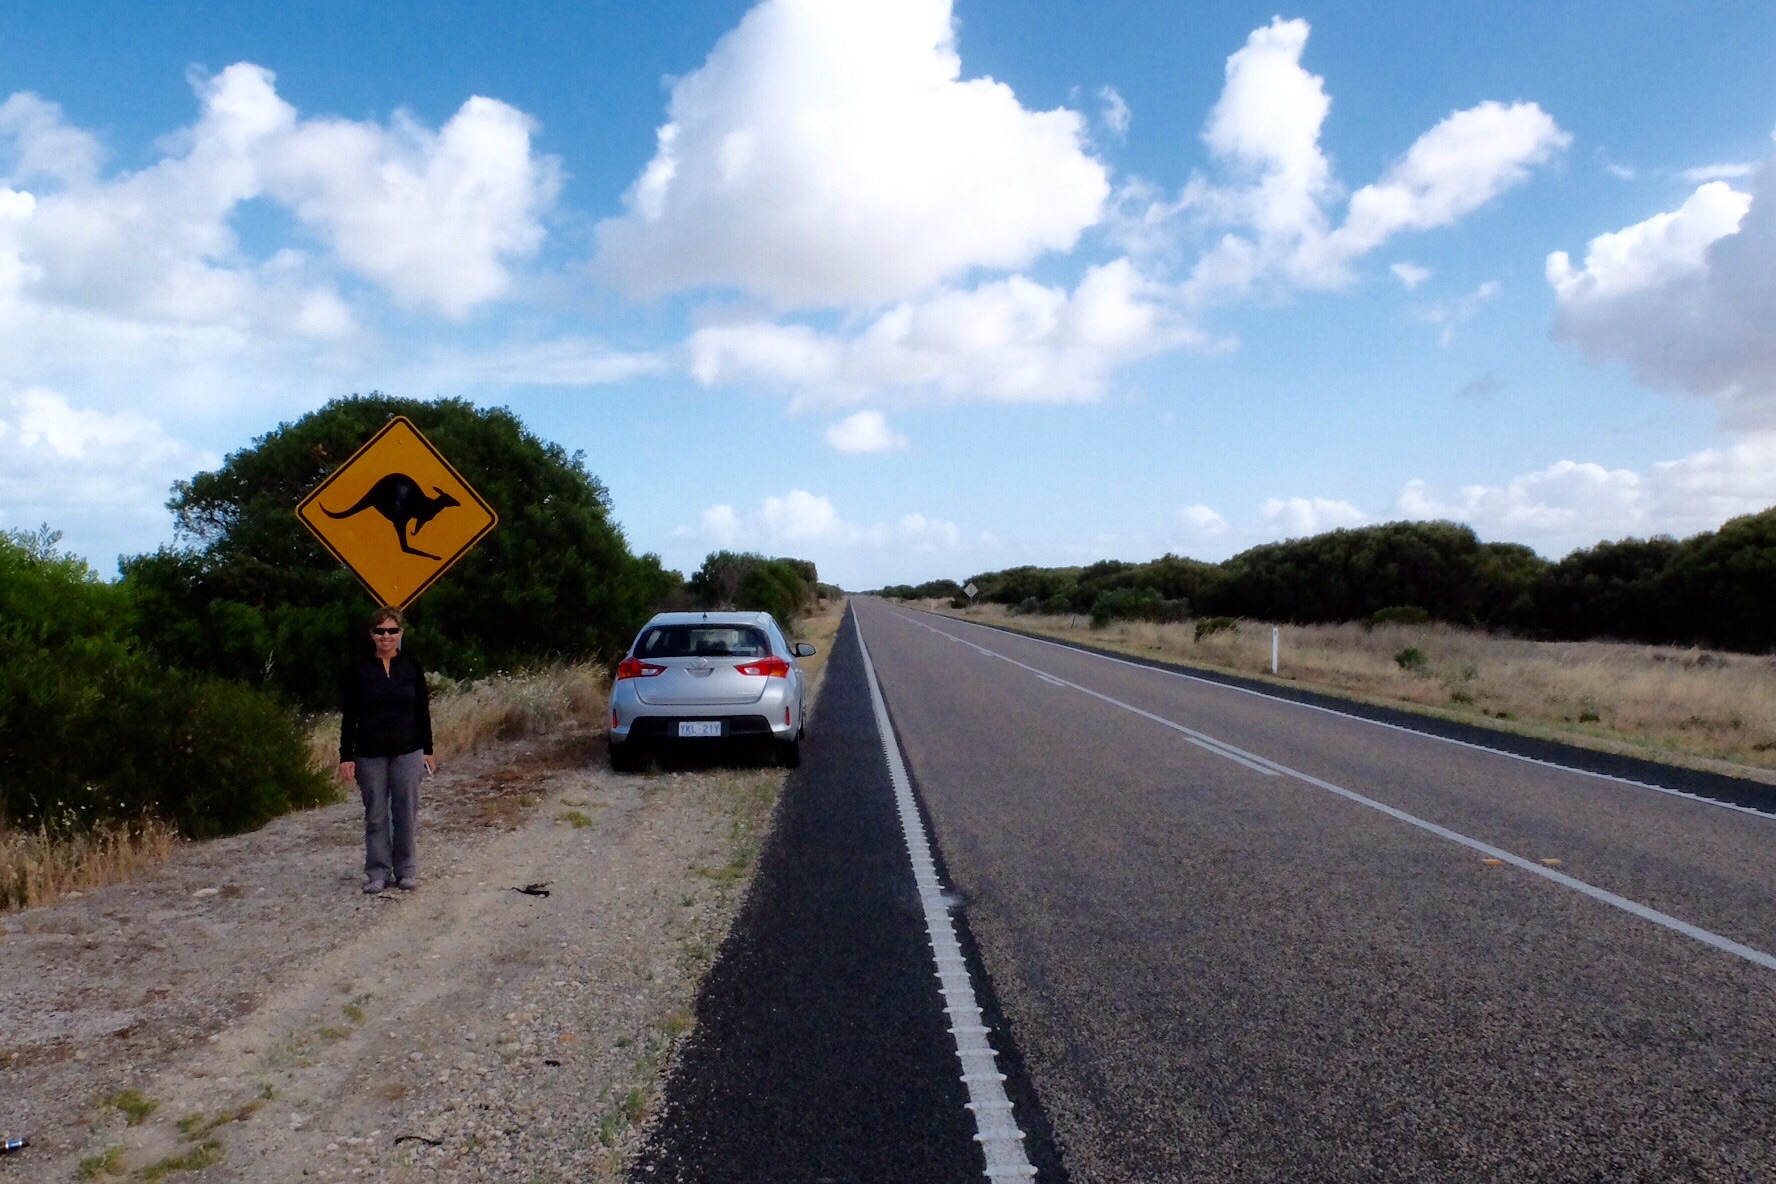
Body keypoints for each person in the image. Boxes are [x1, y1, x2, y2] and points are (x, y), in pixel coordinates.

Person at [338, 607, 436, 893]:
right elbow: (350, 715)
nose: (386, 636)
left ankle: (406, 870)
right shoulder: (359, 669)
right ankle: (378, 872)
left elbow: (422, 710)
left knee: (405, 812)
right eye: (380, 631)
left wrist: (428, 749)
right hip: (370, 753)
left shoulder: (411, 666)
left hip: (408, 750)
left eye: (392, 631)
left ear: (400, 633)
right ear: (372, 634)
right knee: (376, 814)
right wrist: (346, 755)